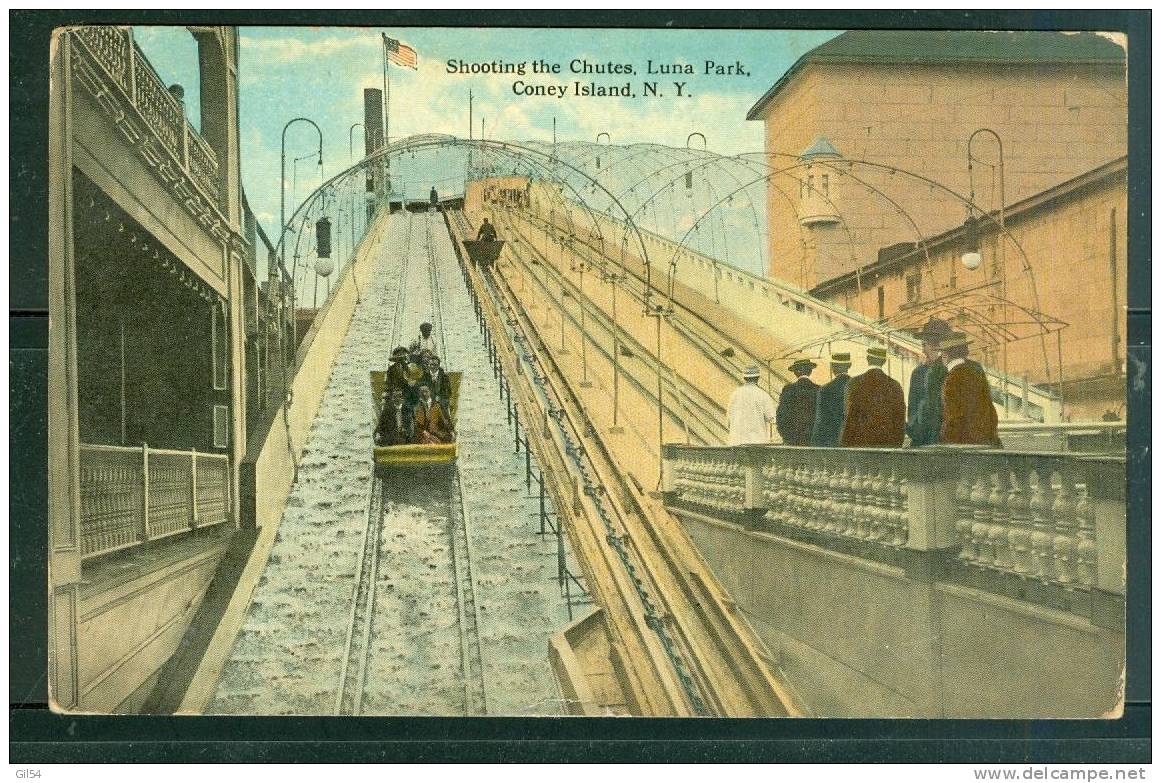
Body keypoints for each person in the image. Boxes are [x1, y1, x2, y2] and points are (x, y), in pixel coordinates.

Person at [938, 332, 1001, 446]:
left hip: (965, 444)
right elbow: (991, 411)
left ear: (945, 355)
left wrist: (945, 442)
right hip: (986, 440)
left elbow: (953, 418)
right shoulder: (976, 372)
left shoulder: (952, 379)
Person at [840, 346, 906, 447]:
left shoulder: (854, 383)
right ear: (884, 361)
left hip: (860, 446)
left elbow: (849, 417)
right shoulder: (894, 385)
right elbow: (900, 420)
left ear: (868, 359)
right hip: (887, 447)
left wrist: (844, 444)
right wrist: (897, 445)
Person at [906, 318, 952, 447]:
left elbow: (913, 412)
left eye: (923, 345)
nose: (922, 350)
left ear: (934, 345)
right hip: (942, 440)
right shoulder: (951, 370)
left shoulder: (919, 373)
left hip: (927, 440)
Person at [809, 351, 852, 447]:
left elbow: (821, 422)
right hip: (854, 443)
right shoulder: (858, 387)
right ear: (849, 365)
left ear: (832, 367)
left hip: (832, 443)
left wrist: (814, 445)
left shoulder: (825, 389)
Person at [727, 366, 777, 445]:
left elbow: (729, 421)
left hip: (736, 443)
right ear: (758, 377)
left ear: (744, 378)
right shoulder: (763, 395)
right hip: (757, 444)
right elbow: (773, 418)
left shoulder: (735, 395)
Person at [775, 357, 819, 446]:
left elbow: (781, 415)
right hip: (812, 440)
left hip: (792, 440)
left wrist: (786, 436)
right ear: (810, 371)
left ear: (795, 373)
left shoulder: (788, 389)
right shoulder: (818, 389)